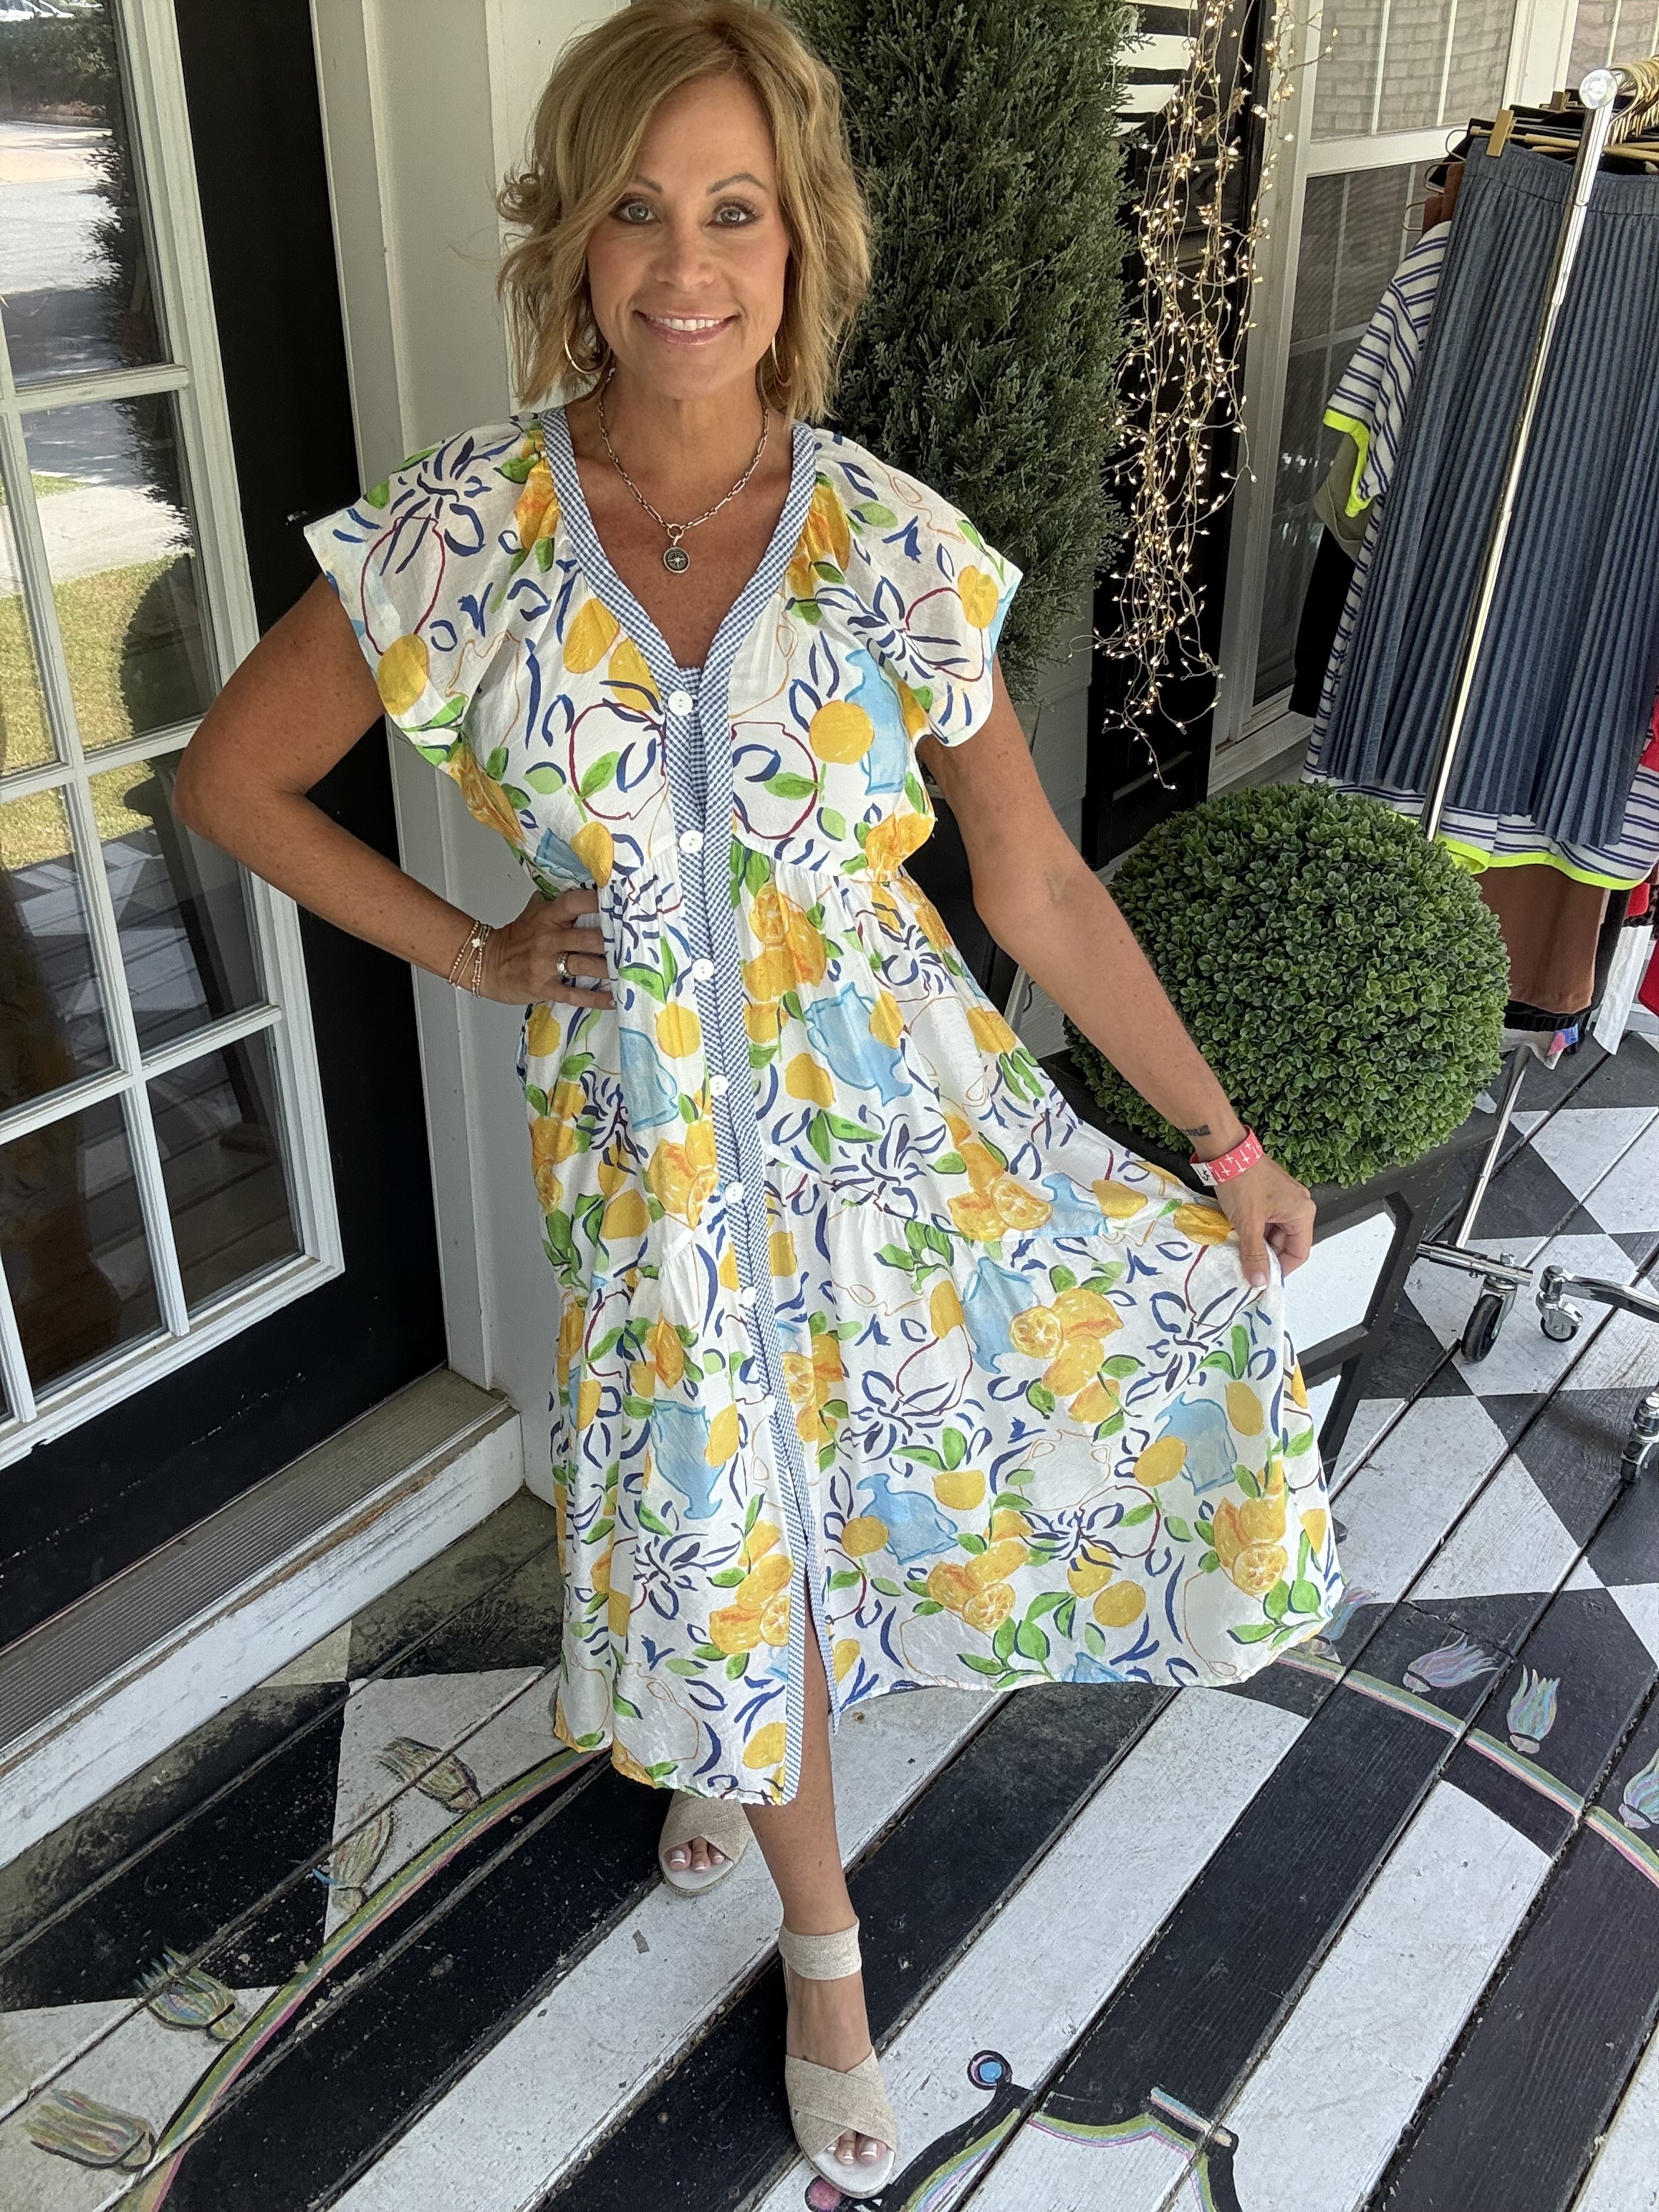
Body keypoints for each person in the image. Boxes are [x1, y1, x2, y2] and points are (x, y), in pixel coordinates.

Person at [175, 1, 1337, 2192]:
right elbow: (231, 780)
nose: (682, 264)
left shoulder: (893, 545)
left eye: (734, 211)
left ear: (800, 246)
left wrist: (1227, 1142)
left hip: (907, 1136)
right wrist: (476, 949)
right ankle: (827, 1947)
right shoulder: (460, 536)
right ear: (570, 238)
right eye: (635, 208)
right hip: (657, 1157)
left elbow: (1034, 885)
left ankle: (733, 1762)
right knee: (732, 1534)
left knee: (864, 1494)